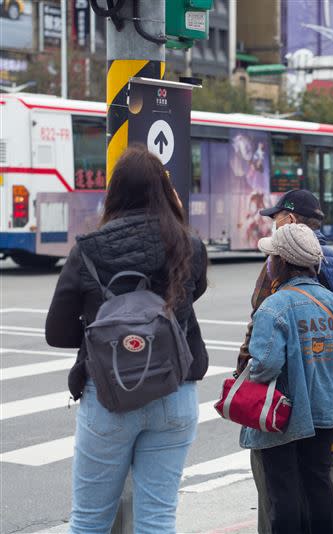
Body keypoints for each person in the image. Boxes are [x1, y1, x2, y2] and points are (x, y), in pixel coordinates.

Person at [45, 146, 209, 533]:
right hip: (175, 390)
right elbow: (191, 297)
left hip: (108, 395)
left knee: (89, 520)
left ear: (114, 192)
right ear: (165, 193)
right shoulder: (190, 246)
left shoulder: (87, 250)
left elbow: (57, 331)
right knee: (157, 519)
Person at [238, 189, 333, 534]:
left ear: (282, 261)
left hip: (281, 411)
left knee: (284, 492)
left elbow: (263, 364)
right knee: (318, 482)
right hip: (324, 407)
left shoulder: (275, 306)